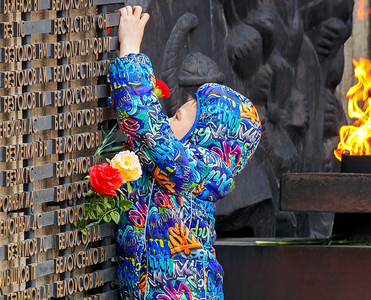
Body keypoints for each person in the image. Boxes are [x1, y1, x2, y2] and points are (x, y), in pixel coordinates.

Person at [109, 5, 262, 300]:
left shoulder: (198, 169)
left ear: (203, 137)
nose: (167, 120)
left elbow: (152, 135)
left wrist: (129, 49)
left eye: (177, 117)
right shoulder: (175, 167)